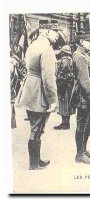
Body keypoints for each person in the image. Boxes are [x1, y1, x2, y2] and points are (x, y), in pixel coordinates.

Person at [16, 20, 59, 170]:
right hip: (39, 92)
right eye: (55, 32)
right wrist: (53, 100)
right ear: (46, 32)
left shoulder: (32, 46)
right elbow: (48, 78)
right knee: (37, 128)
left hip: (29, 90)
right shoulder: (47, 49)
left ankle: (36, 161)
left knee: (35, 127)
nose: (57, 36)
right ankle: (34, 164)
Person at [70, 30, 90, 164]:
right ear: (81, 42)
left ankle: (84, 150)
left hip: (86, 93)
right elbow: (84, 80)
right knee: (82, 124)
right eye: (89, 41)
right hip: (83, 95)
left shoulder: (83, 55)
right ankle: (79, 154)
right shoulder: (79, 56)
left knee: (87, 123)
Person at [53, 45, 75, 130]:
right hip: (69, 85)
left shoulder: (63, 61)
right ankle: (67, 122)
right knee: (68, 103)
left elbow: (62, 73)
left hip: (63, 84)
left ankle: (64, 123)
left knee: (63, 102)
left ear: (63, 52)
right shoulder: (71, 60)